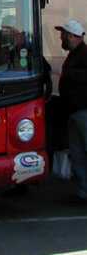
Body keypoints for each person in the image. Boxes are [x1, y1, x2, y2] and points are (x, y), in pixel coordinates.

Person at [55, 19, 87, 202]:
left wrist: (70, 75)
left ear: (72, 37)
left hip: (83, 110)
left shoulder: (84, 54)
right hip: (74, 111)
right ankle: (83, 192)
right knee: (77, 153)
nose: (61, 38)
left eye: (64, 35)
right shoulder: (75, 55)